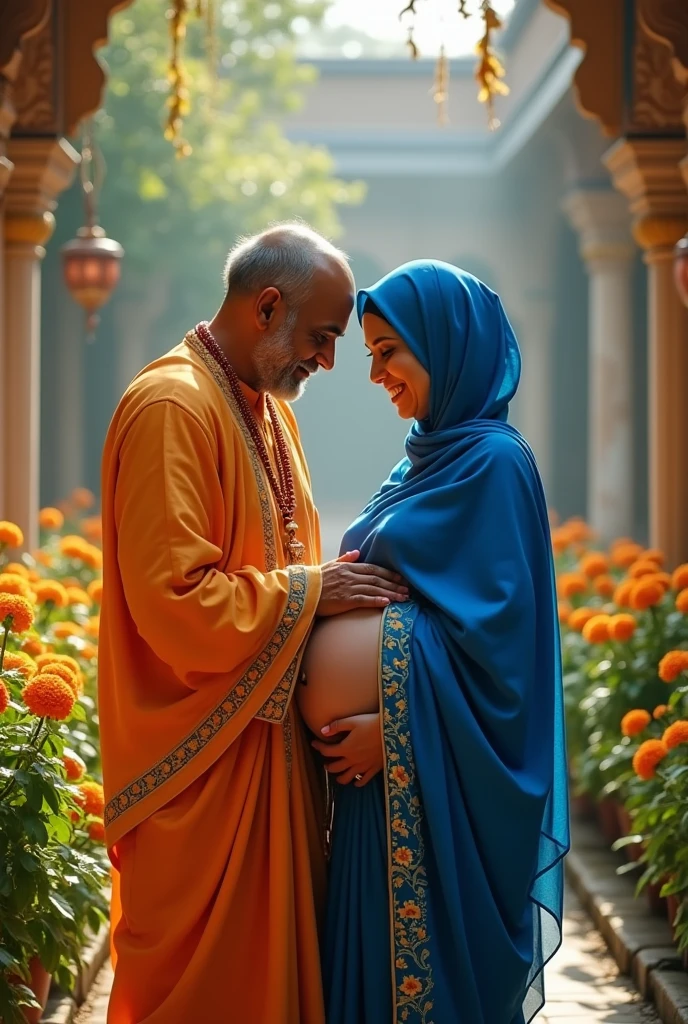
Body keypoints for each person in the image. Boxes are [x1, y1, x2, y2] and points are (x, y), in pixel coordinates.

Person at [98, 223, 409, 1024]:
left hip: (271, 765)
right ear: (266, 306)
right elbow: (176, 605)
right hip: (199, 779)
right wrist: (317, 592)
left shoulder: (269, 412)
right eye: (322, 337)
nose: (330, 361)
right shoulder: (173, 406)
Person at [296, 260, 570, 1023]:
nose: (376, 372)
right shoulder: (419, 459)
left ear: (446, 346)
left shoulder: (495, 464)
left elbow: (507, 660)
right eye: (372, 354)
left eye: (390, 351)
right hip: (374, 792)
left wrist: (397, 729)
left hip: (428, 779)